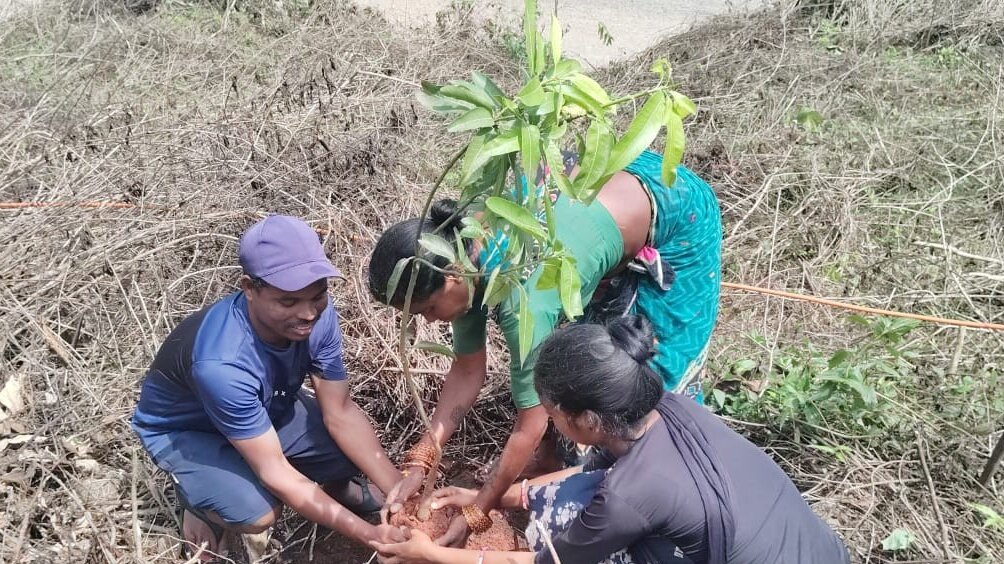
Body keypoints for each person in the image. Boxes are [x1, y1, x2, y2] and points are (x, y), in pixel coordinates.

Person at [368, 149, 722, 546]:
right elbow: (468, 369)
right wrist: (422, 457)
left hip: (674, 208)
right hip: (591, 210)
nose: (429, 321)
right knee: (582, 350)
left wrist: (479, 508)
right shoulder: (463, 250)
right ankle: (554, 461)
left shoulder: (525, 302)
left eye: (428, 309)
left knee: (640, 374)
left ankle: (664, 484)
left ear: (452, 275)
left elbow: (530, 421)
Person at [370, 316, 851, 564]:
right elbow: (589, 474)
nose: (550, 424)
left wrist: (432, 554)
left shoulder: (630, 497)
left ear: (587, 419)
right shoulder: (666, 410)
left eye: (553, 414)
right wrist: (498, 497)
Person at [132, 215, 407, 560]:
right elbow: (275, 472)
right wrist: (371, 536)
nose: (308, 313)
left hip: (266, 407)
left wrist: (399, 491)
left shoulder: (318, 316)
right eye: (288, 302)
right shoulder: (222, 364)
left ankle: (340, 490)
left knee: (347, 449)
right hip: (190, 430)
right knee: (259, 511)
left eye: (318, 295)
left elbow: (341, 412)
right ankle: (198, 501)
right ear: (249, 288)